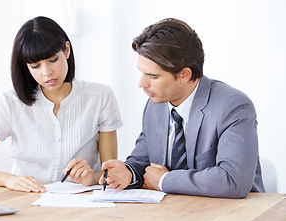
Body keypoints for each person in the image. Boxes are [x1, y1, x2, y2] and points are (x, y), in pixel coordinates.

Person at [99, 18, 265, 198]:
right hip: (176, 213)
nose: (141, 83)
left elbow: (232, 181)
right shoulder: (156, 104)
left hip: (233, 215)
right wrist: (128, 173)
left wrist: (164, 181)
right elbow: (142, 162)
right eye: (141, 72)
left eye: (153, 76)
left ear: (184, 75)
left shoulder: (233, 106)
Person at [0, 16, 122, 193]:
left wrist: (92, 178)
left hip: (80, 203)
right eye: (35, 66)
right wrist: (9, 179)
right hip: (25, 201)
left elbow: (110, 173)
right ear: (26, 66)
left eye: (53, 60)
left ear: (66, 50)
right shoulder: (10, 102)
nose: (47, 73)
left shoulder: (100, 97)